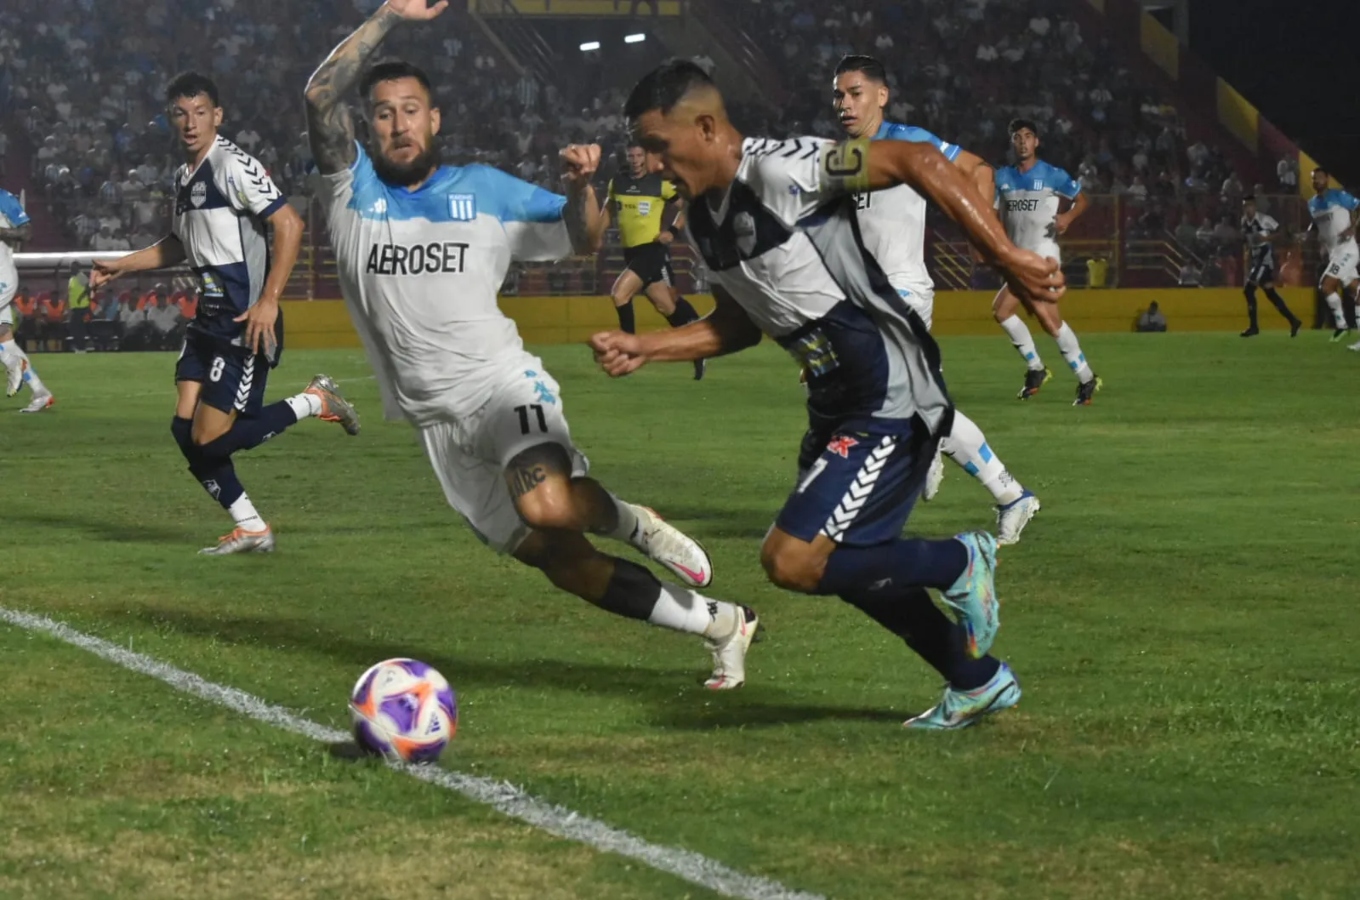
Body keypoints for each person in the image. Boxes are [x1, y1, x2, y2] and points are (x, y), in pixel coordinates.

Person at [592, 60, 1065, 729]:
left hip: (889, 388)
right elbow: (738, 325)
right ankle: (974, 676)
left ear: (703, 127)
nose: (656, 165)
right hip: (836, 398)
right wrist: (649, 347)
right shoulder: (702, 221)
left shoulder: (784, 170)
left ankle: (959, 558)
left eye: (661, 148)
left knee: (792, 558)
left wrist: (1006, 258)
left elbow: (921, 162)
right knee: (840, 563)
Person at [302, 0, 758, 691]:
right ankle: (723, 624)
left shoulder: (485, 190)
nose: (399, 124)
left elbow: (583, 236)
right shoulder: (351, 191)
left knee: (545, 503)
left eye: (412, 109)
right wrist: (389, 16)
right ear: (368, 126)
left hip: (502, 386)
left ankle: (637, 523)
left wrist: (580, 189)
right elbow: (317, 93)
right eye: (385, 113)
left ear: (435, 119)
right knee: (564, 563)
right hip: (436, 426)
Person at [89, 72, 360, 554]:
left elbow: (290, 223)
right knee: (183, 431)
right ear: (171, 119)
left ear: (218, 115)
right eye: (181, 113)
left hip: (244, 322)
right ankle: (251, 527)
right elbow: (178, 244)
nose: (191, 123)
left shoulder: (232, 165)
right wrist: (122, 265)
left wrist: (270, 299)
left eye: (200, 112)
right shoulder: (184, 175)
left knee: (211, 441)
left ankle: (315, 401)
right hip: (207, 321)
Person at [830, 55, 1039, 545]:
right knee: (920, 408)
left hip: (904, 290)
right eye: (838, 94)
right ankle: (1007, 493)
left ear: (882, 95)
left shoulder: (910, 141)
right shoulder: (842, 156)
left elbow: (979, 169)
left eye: (855, 92)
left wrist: (981, 230)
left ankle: (959, 478)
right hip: (867, 299)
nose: (845, 103)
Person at [993, 119, 1101, 405]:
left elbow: (1083, 200)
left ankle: (1074, 376)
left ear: (1036, 142)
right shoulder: (1002, 177)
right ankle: (1052, 371)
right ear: (1012, 143)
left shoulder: (1052, 175)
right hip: (1019, 258)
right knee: (1016, 314)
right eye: (1017, 137)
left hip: (1043, 256)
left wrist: (1067, 217)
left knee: (1032, 316)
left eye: (1028, 136)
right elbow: (992, 213)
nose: (1023, 142)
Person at [602, 142, 707, 379]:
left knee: (619, 294)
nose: (636, 160)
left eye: (640, 155)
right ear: (627, 157)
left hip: (652, 250)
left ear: (646, 158)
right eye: (632, 155)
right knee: (666, 306)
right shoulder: (617, 183)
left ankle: (627, 351)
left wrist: (672, 231)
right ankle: (697, 344)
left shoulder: (660, 184)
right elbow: (607, 212)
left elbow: (687, 206)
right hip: (631, 252)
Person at [0, 186, 55, 412]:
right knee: (5, 341)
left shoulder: (3, 198)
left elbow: (26, 232)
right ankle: (40, 392)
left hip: (1, 276)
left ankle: (14, 364)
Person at [1305, 167, 1360, 343]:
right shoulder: (1312, 203)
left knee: (1326, 285)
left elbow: (1357, 207)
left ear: (1327, 179)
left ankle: (1341, 325)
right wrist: (1306, 235)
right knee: (1356, 290)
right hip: (1333, 254)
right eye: (1314, 179)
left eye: (1320, 178)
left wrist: (1352, 228)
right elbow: (1316, 224)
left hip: (1347, 251)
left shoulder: (1338, 196)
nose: (1316, 182)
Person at [1239, 195, 1301, 337]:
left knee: (1249, 290)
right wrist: (1247, 256)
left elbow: (1281, 231)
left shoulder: (1264, 219)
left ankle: (1254, 327)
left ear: (1254, 206)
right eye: (1244, 206)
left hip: (1264, 257)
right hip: (1255, 258)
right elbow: (1246, 241)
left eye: (1249, 206)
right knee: (1270, 294)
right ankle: (1294, 321)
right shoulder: (1244, 221)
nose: (1247, 209)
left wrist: (1267, 238)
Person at [66, 261, 92, 352]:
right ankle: (79, 346)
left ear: (78, 268)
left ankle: (81, 347)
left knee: (79, 328)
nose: (71, 269)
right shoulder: (72, 279)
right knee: (74, 328)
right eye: (71, 267)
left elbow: (89, 288)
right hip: (75, 308)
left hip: (82, 307)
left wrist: (81, 297)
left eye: (73, 267)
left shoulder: (81, 276)